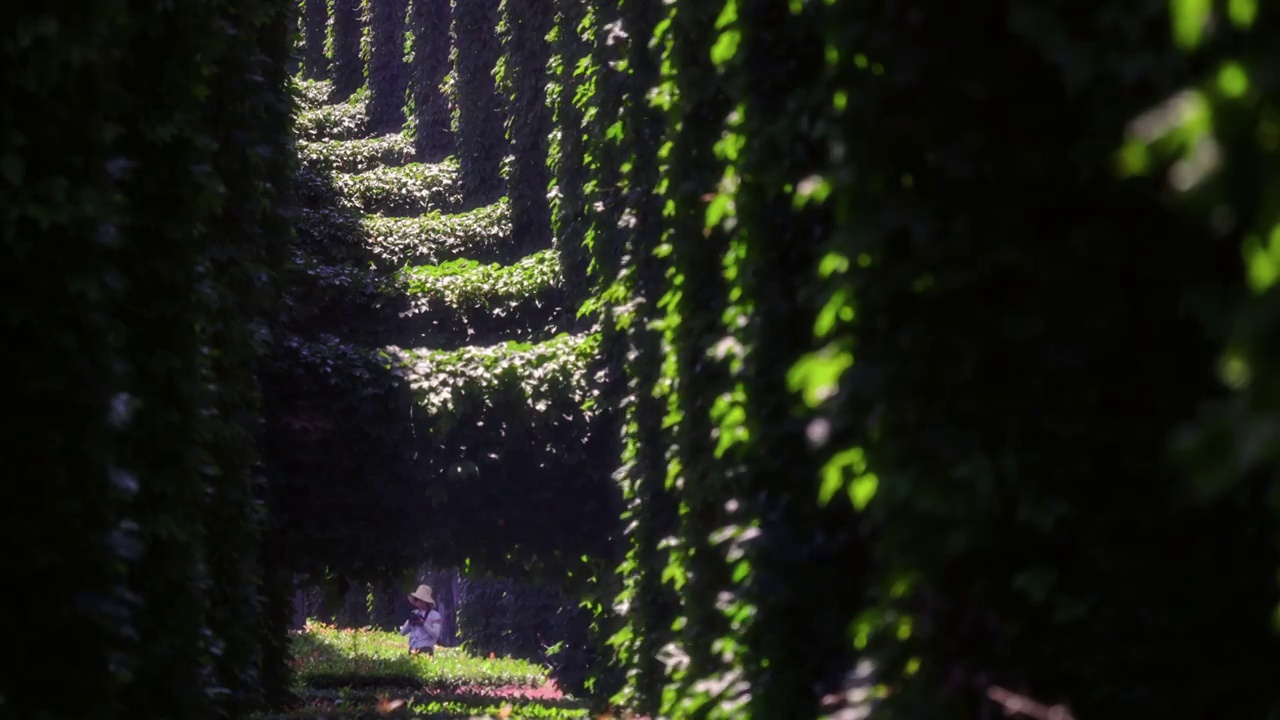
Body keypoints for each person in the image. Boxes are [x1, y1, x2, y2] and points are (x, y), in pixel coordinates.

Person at [399, 584, 443, 656]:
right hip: (412, 648)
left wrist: (423, 623)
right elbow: (402, 632)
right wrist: (410, 621)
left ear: (425, 601)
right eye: (416, 599)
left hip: (426, 648)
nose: (416, 602)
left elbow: (435, 635)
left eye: (418, 600)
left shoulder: (435, 615)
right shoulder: (414, 613)